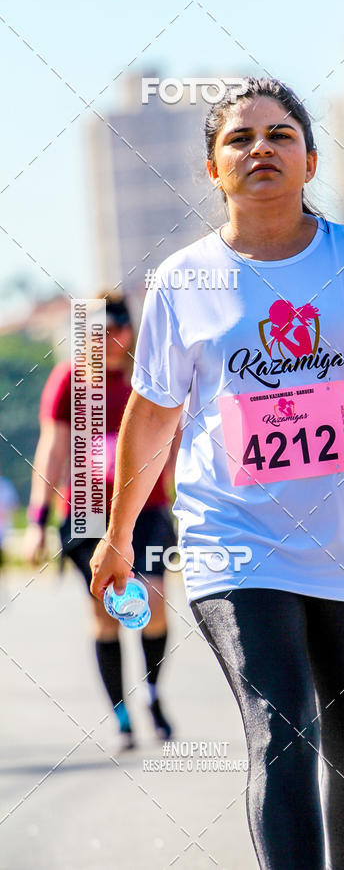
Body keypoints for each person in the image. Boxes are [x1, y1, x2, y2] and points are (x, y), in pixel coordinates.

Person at [89, 77, 344, 870]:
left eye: (281, 135)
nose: (261, 149)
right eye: (239, 139)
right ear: (212, 170)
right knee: (281, 734)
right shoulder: (184, 280)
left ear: (311, 161)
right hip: (235, 537)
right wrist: (118, 536)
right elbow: (153, 415)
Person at [24, 294, 179, 751]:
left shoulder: (148, 378)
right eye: (99, 331)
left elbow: (174, 441)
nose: (110, 338)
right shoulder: (69, 380)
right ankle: (122, 716)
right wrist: (37, 520)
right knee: (104, 613)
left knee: (152, 601)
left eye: (118, 328)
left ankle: (152, 692)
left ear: (131, 330)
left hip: (146, 510)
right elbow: (52, 450)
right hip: (87, 514)